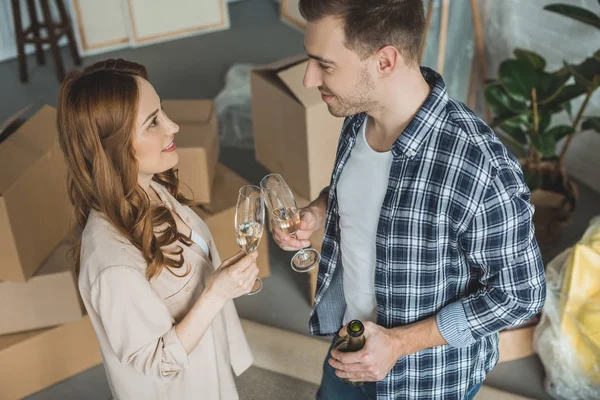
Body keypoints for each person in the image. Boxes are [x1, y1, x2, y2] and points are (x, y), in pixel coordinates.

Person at [271, 1, 546, 399]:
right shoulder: (357, 116)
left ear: (384, 61)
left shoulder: (479, 167)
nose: (309, 79)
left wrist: (399, 344)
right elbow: (359, 193)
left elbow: (521, 295)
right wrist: (318, 211)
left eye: (325, 64)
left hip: (425, 379)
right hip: (350, 343)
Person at [57, 59, 259, 400]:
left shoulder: (150, 186)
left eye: (162, 111)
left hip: (208, 366)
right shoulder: (113, 266)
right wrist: (217, 294)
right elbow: (157, 362)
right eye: (153, 122)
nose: (174, 126)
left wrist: (226, 280)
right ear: (112, 148)